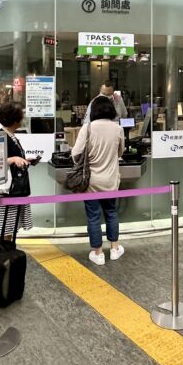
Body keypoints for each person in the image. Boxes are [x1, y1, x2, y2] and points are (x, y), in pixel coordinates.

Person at [72, 95, 125, 266]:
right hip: (110, 180)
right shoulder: (118, 128)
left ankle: (98, 253)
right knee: (111, 213)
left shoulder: (87, 128)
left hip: (91, 182)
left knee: (93, 217)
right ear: (111, 109)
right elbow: (120, 152)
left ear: (93, 111)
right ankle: (115, 248)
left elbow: (76, 153)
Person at [0, 101, 34, 243]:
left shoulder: (10, 136)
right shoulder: (0, 136)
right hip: (5, 190)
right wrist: (13, 159)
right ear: (15, 120)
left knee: (9, 226)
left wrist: (23, 160)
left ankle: (7, 251)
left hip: (13, 189)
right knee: (2, 226)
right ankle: (0, 253)